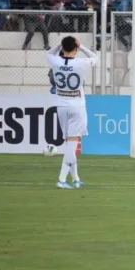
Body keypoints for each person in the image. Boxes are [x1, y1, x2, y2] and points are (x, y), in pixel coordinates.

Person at [46, 36, 97, 189]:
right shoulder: (81, 63)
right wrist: (81, 47)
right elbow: (95, 57)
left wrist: (58, 45)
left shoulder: (55, 61)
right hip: (77, 106)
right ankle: (61, 180)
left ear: (62, 48)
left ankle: (75, 179)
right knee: (72, 144)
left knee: (70, 144)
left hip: (61, 105)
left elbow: (48, 53)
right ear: (75, 48)